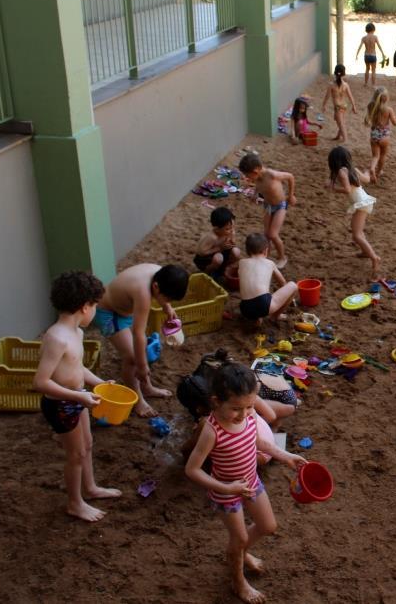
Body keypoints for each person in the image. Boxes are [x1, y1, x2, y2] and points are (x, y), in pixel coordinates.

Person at [185, 360, 307, 604]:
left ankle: (239, 553)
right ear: (217, 402)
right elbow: (192, 470)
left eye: (250, 406)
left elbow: (258, 442)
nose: (244, 414)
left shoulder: (249, 415)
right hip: (226, 492)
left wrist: (286, 457)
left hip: (251, 482)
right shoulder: (212, 430)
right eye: (236, 409)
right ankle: (238, 582)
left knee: (268, 526)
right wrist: (226, 488)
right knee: (239, 538)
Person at [33, 271, 120, 522]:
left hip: (77, 397)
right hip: (61, 404)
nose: (94, 311)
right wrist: (78, 397)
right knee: (76, 454)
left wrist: (100, 383)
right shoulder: (56, 338)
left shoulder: (77, 334)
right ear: (85, 307)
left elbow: (77, 368)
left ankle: (90, 489)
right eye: (94, 306)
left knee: (88, 444)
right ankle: (75, 502)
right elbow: (41, 382)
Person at [93, 263, 189, 417]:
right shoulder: (143, 293)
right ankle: (137, 400)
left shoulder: (161, 274)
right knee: (132, 357)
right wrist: (142, 366)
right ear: (156, 287)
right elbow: (138, 334)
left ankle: (147, 387)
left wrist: (167, 307)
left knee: (140, 350)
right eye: (168, 298)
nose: (167, 301)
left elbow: (140, 335)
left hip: (124, 310)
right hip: (108, 313)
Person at [328, 145, 380, 280]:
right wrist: (368, 172)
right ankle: (364, 252)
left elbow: (346, 189)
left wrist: (333, 188)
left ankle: (374, 257)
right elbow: (366, 180)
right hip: (364, 201)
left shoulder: (341, 172)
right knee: (358, 232)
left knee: (356, 235)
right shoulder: (353, 170)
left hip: (362, 204)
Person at [238, 152, 295, 269]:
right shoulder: (257, 177)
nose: (247, 178)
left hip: (280, 206)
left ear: (256, 170)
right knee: (266, 235)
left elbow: (290, 177)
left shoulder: (272, 175)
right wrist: (254, 194)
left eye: (248, 176)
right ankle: (265, 258)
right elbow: (258, 185)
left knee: (273, 234)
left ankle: (282, 257)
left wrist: (291, 195)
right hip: (268, 206)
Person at [237, 233, 298, 325]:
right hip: (263, 305)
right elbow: (282, 282)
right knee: (293, 286)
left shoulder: (241, 263)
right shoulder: (270, 263)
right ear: (266, 251)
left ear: (248, 251)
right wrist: (289, 299)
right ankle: (275, 316)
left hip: (245, 309)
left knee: (254, 291)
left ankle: (256, 318)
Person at [363, 86, 396, 184]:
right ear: (386, 98)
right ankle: (378, 172)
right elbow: (395, 123)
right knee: (383, 155)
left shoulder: (371, 106)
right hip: (384, 137)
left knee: (375, 156)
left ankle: (372, 168)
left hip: (374, 135)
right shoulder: (388, 109)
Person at [193, 206, 241, 283]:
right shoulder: (212, 237)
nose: (231, 230)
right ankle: (207, 272)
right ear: (217, 228)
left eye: (233, 227)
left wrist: (232, 242)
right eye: (228, 229)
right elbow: (201, 252)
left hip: (221, 253)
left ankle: (223, 269)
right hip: (206, 260)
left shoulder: (230, 231)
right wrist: (219, 248)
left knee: (236, 252)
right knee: (218, 258)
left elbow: (233, 243)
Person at [320, 63, 357, 142]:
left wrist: (323, 105)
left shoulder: (331, 85)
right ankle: (338, 136)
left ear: (335, 72)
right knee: (341, 122)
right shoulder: (346, 85)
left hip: (337, 107)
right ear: (344, 73)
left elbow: (327, 97)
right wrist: (354, 106)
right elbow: (351, 97)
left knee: (341, 124)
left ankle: (345, 139)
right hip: (344, 106)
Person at [355, 22, 385, 87]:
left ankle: (365, 83)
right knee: (373, 70)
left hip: (366, 55)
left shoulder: (364, 38)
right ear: (373, 29)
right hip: (373, 55)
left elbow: (360, 47)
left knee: (367, 69)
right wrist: (382, 54)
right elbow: (379, 46)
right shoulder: (375, 37)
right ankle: (373, 84)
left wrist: (357, 54)